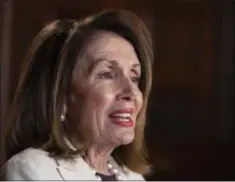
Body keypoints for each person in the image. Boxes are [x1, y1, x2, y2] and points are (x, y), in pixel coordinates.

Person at [0, 9, 153, 181]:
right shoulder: (32, 170)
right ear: (61, 96)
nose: (132, 93)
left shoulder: (135, 179)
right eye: (107, 74)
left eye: (134, 78)